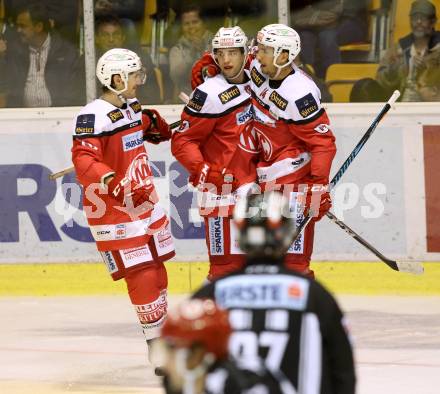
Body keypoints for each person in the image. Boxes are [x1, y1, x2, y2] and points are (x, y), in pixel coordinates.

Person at [191, 23, 336, 278]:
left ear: (283, 56)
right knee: (262, 259)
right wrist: (208, 64)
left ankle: (297, 313)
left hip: (294, 179)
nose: (257, 55)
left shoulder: (300, 95)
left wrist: (319, 185)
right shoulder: (260, 68)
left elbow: (323, 143)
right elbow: (235, 59)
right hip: (265, 178)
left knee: (292, 264)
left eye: (265, 50)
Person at [71, 48, 175, 375]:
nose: (138, 82)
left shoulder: (129, 107)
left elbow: (141, 127)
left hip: (142, 201)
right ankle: (155, 344)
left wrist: (154, 124)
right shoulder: (93, 115)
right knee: (141, 274)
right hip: (114, 209)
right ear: (116, 79)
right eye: (133, 76)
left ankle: (162, 334)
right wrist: (113, 181)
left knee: (157, 270)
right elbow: (84, 159)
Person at [193, 191, 356, 393]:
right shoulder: (315, 296)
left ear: (240, 234)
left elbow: (179, 368)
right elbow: (343, 370)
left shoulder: (210, 294)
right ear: (287, 232)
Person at [171, 26, 254, 281]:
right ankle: (217, 320)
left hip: (255, 189)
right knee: (224, 269)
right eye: (220, 53)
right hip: (220, 190)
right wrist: (203, 170)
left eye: (233, 52)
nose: (226, 60)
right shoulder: (208, 94)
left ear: (245, 54)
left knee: (254, 266)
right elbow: (182, 140)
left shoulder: (258, 81)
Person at [159, 298, 292, 394]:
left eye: (172, 347)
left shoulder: (245, 385)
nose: (166, 360)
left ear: (197, 354)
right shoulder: (181, 384)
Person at [0, 2, 84, 107]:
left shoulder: (66, 53)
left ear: (39, 27)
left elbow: (73, 93)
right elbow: (6, 86)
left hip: (58, 116)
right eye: (18, 26)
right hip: (22, 116)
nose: (18, 30)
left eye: (23, 26)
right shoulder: (14, 51)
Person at [376, 0, 440, 102]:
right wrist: (397, 70)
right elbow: (380, 80)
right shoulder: (399, 48)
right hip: (403, 105)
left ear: (433, 21)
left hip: (433, 106)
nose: (418, 22)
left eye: (423, 18)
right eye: (415, 18)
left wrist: (429, 67)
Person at [95, 14, 161, 104]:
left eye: (116, 34)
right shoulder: (87, 62)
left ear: (123, 38)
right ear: (97, 39)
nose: (111, 39)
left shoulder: (139, 61)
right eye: (105, 35)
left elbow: (152, 98)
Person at [169, 4, 213, 100]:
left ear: (204, 23)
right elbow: (176, 76)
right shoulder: (177, 49)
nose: (191, 27)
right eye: (186, 24)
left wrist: (203, 51)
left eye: (195, 22)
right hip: (187, 100)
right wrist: (191, 53)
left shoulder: (216, 43)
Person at [291, 0, 344, 78]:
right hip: (306, 28)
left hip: (329, 26)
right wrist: (315, 17)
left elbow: (334, 14)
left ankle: (333, 75)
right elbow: (294, 16)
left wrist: (310, 17)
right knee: (305, 38)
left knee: (327, 38)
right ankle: (307, 73)